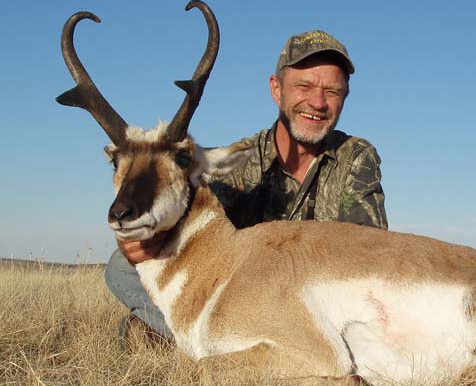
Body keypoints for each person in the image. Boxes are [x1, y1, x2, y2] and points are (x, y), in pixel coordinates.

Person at [104, 30, 388, 344]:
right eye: (304, 86)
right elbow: (185, 229)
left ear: (344, 98)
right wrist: (140, 244)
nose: (318, 102)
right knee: (121, 266)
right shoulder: (235, 162)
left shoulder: (357, 158)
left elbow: (371, 250)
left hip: (317, 295)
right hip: (248, 297)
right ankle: (205, 335)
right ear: (276, 90)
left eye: (332, 91)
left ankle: (199, 338)